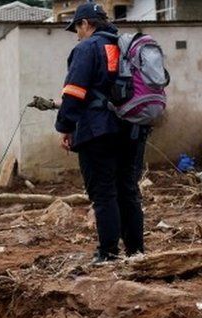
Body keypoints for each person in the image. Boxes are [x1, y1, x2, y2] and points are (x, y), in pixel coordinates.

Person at [56, 2, 146, 263]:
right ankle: (136, 251)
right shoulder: (126, 46)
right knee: (128, 189)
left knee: (104, 192)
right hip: (131, 129)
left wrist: (64, 127)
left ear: (86, 24)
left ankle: (108, 253)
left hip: (98, 131)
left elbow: (74, 92)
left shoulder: (87, 48)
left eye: (77, 28)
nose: (77, 34)